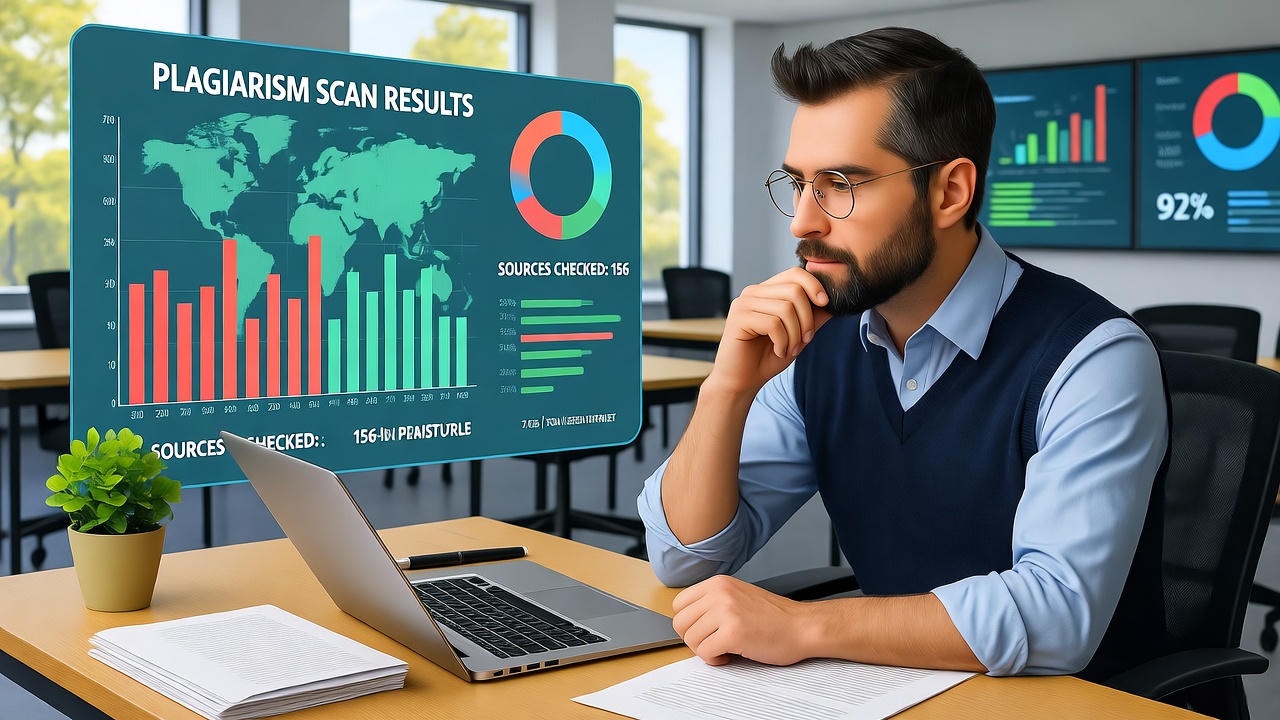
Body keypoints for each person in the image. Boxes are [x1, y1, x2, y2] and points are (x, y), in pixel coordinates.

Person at [636, 26, 1170, 680]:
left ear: (950, 192)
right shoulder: (817, 345)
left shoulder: (1093, 357)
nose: (803, 220)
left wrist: (804, 625)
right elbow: (682, 559)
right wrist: (726, 389)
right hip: (888, 685)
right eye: (798, 182)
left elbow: (1057, 617)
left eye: (839, 183)